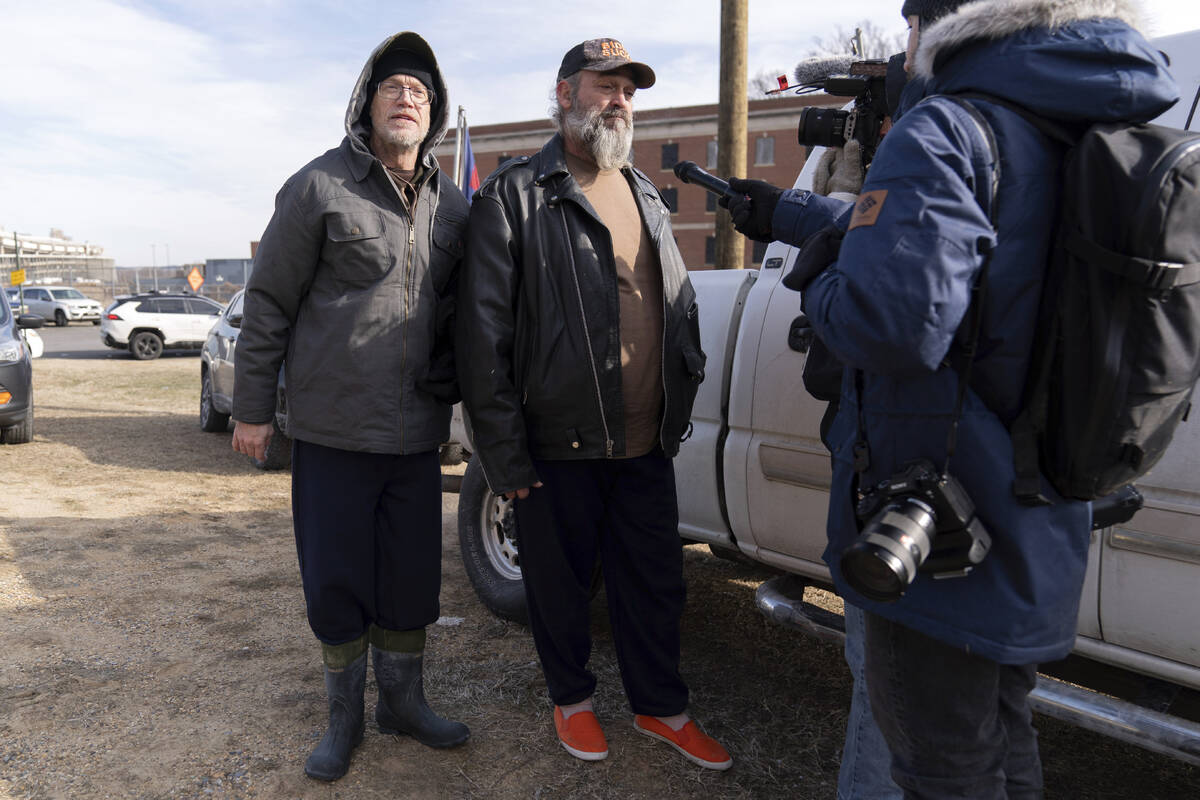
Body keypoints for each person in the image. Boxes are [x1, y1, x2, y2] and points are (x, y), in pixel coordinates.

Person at [722, 1, 1178, 796]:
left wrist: (823, 277)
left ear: (941, 26)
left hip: (942, 531)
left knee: (943, 768)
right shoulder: (1087, 128)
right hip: (1038, 512)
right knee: (1002, 746)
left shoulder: (947, 128)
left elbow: (889, 323)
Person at [455, 38, 730, 771]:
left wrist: (683, 386)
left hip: (645, 441)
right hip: (557, 443)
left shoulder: (644, 192)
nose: (618, 100)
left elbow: (674, 302)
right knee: (559, 585)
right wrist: (503, 453)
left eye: (628, 90)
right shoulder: (516, 195)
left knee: (655, 585)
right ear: (565, 92)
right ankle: (571, 701)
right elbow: (483, 340)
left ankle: (661, 708)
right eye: (603, 86)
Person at [231, 31, 470, 782]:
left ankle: (403, 703)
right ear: (366, 103)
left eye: (422, 93)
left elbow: (470, 310)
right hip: (334, 431)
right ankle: (344, 717)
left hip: (414, 433)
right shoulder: (316, 188)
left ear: (435, 116)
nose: (409, 99)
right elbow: (268, 302)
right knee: (336, 579)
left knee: (409, 580)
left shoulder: (453, 205)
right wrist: (252, 407)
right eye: (395, 86)